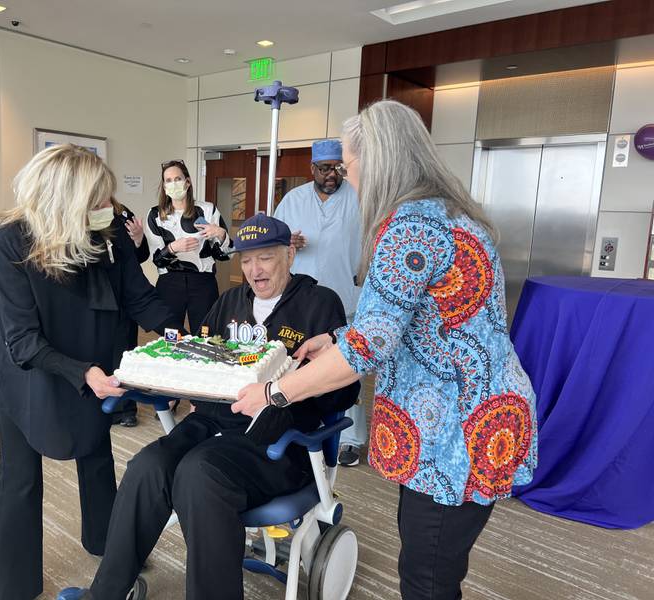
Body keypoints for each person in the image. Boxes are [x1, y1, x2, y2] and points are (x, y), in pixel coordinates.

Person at [236, 100, 538, 600]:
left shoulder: (411, 226)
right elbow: (415, 316)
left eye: (350, 166)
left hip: (451, 431)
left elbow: (369, 348)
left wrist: (274, 391)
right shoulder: (452, 213)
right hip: (474, 415)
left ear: (377, 161)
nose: (350, 180)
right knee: (432, 564)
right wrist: (337, 336)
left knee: (427, 576)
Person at [59, 214, 359, 600]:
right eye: (246, 260)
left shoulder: (320, 305)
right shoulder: (230, 302)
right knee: (146, 468)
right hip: (210, 426)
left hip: (280, 440)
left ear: (289, 256)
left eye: (265, 258)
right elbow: (203, 365)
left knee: (198, 475)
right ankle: (108, 592)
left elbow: (341, 393)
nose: (254, 270)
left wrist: (309, 375)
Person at [0, 144, 179, 600]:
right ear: (64, 201)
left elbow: (138, 296)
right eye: (97, 200)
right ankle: (12, 585)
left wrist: (178, 335)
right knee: (19, 473)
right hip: (26, 363)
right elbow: (24, 340)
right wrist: (83, 372)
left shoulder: (107, 230)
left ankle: (108, 543)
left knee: (95, 448)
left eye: (107, 199)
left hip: (94, 348)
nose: (109, 209)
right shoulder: (11, 240)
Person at [274, 138, 366, 467]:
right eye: (325, 168)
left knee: (347, 364)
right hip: (303, 300)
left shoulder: (357, 198)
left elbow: (371, 241)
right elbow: (274, 241)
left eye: (337, 168)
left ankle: (351, 438)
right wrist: (288, 241)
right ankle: (295, 422)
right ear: (311, 168)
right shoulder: (293, 200)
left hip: (344, 297)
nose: (332, 175)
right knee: (296, 360)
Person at [144, 159, 231, 333]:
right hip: (170, 282)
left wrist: (221, 234)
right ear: (164, 185)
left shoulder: (207, 210)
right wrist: (173, 248)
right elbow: (157, 260)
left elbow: (224, 255)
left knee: (206, 333)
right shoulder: (155, 215)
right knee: (171, 336)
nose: (173, 184)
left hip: (203, 282)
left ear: (188, 181)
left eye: (177, 178)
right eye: (168, 180)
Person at [111, 199, 149, 427]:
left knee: (124, 353)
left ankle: (126, 409)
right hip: (96, 298)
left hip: (124, 297)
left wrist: (138, 238)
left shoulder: (122, 212)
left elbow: (141, 256)